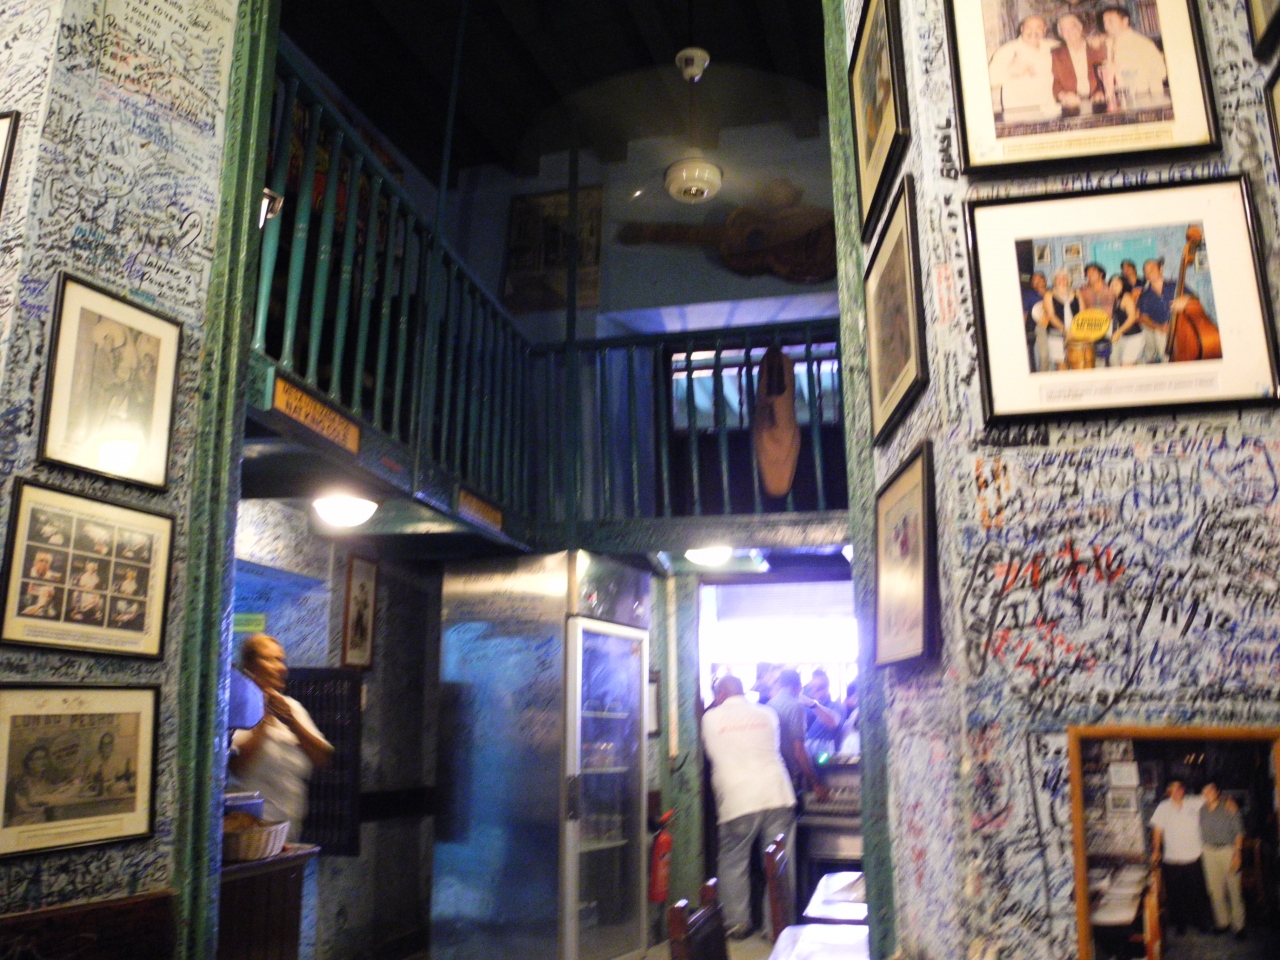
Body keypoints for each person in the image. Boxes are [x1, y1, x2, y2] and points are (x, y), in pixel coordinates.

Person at [700, 675, 797, 939]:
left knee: (734, 861)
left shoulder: (709, 718)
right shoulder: (767, 713)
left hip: (737, 799)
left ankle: (736, 923)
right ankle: (775, 927)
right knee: (778, 863)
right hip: (777, 793)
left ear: (720, 695)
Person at [228, 633, 333, 840]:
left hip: (289, 832)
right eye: (272, 659)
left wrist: (292, 722)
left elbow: (324, 758)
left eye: (282, 660)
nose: (282, 668)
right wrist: (264, 718)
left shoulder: (292, 707)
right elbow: (237, 766)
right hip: (250, 834)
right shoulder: (236, 708)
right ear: (250, 666)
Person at [1150, 780, 1209, 935]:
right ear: (1169, 791)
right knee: (1176, 894)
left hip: (1193, 856)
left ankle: (1201, 922)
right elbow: (1157, 830)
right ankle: (1180, 924)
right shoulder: (1163, 807)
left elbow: (1213, 796)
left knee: (1197, 892)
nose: (1177, 791)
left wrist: (1229, 802)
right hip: (1172, 858)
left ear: (1183, 790)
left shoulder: (1193, 802)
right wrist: (1156, 850)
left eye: (1179, 788)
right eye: (1173, 789)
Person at [768, 670, 830, 802]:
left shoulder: (769, 705)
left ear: (780, 684)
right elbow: (799, 750)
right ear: (799, 686)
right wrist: (815, 783)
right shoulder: (796, 707)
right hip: (791, 776)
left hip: (774, 773)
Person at [1199, 783, 1246, 939]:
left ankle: (1239, 926)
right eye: (1204, 791)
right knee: (1215, 891)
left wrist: (1237, 854)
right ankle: (1223, 923)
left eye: (1210, 790)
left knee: (1234, 888)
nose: (1207, 793)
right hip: (1209, 852)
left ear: (1217, 792)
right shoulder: (1202, 809)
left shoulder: (1228, 807)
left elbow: (1239, 832)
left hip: (1228, 851)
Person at [1098, 5, 1167, 107]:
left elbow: (1161, 72)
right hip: (1117, 100)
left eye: (1110, 21)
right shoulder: (1108, 43)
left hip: (1141, 99)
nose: (1106, 26)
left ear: (1125, 21)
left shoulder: (1143, 43)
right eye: (1105, 22)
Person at [988, 16, 1058, 117]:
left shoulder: (1052, 46)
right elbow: (990, 80)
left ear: (1044, 30)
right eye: (1029, 27)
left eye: (1038, 27)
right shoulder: (1006, 50)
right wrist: (1010, 72)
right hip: (1020, 113)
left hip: (1049, 110)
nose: (1033, 31)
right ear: (1022, 29)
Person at [1136, 258, 1194, 363]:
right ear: (1145, 275)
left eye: (1152, 268)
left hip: (1183, 328)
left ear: (1160, 270)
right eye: (1146, 271)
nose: (1150, 272)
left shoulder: (1175, 285)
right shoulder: (1144, 296)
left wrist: (1186, 299)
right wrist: (1159, 327)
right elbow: (1144, 318)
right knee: (1167, 360)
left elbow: (1195, 298)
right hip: (1162, 332)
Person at [1051, 14, 1106, 110]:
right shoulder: (1055, 54)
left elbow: (1107, 73)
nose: (1069, 32)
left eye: (1073, 27)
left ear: (1080, 28)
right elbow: (1055, 81)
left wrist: (1101, 91)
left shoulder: (1097, 47)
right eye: (1064, 29)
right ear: (1060, 34)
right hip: (1071, 103)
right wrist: (1063, 95)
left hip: (1098, 101)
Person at [1031, 269, 1081, 370]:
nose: (1061, 280)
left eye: (1064, 278)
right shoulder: (1048, 294)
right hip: (1054, 331)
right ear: (1054, 280)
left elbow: (1082, 313)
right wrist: (1065, 331)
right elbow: (1051, 315)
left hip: (1075, 332)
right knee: (1058, 362)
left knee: (1076, 361)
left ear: (1069, 280)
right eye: (1058, 278)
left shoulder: (1077, 292)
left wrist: (1076, 330)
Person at [803, 669, 844, 758]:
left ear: (827, 688)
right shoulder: (806, 707)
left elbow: (832, 723)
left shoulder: (836, 707)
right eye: (813, 687)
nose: (815, 690)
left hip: (825, 754)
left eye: (820, 687)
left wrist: (814, 705)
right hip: (807, 753)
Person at [1107, 275, 1146, 366]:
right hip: (1125, 337)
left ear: (1123, 285)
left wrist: (1118, 332)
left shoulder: (1126, 297)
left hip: (1134, 337)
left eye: (1116, 284)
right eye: (1111, 284)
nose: (1113, 286)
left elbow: (1132, 317)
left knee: (1126, 367)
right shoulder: (1117, 299)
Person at [1022, 272, 1049, 371]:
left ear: (1045, 281)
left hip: (1055, 326)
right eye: (1034, 280)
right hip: (1040, 326)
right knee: (1044, 355)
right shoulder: (1029, 295)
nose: (1036, 281)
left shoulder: (1052, 292)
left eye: (1039, 279)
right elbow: (1024, 313)